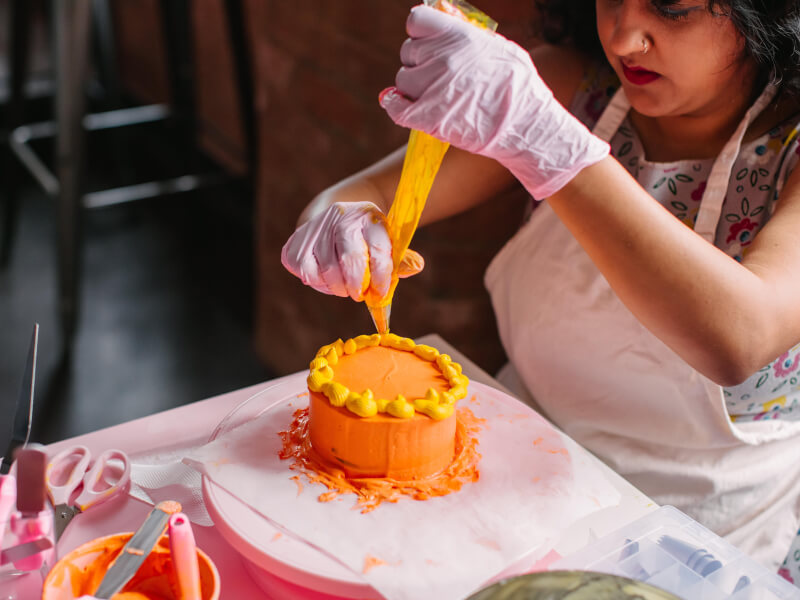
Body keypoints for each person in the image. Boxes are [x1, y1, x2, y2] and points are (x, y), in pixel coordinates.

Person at [281, 0, 800, 583]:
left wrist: (543, 138)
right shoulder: (570, 86)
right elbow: (367, 191)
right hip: (512, 466)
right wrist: (338, 222)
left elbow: (740, 337)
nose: (626, 37)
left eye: (671, 8)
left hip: (699, 531)